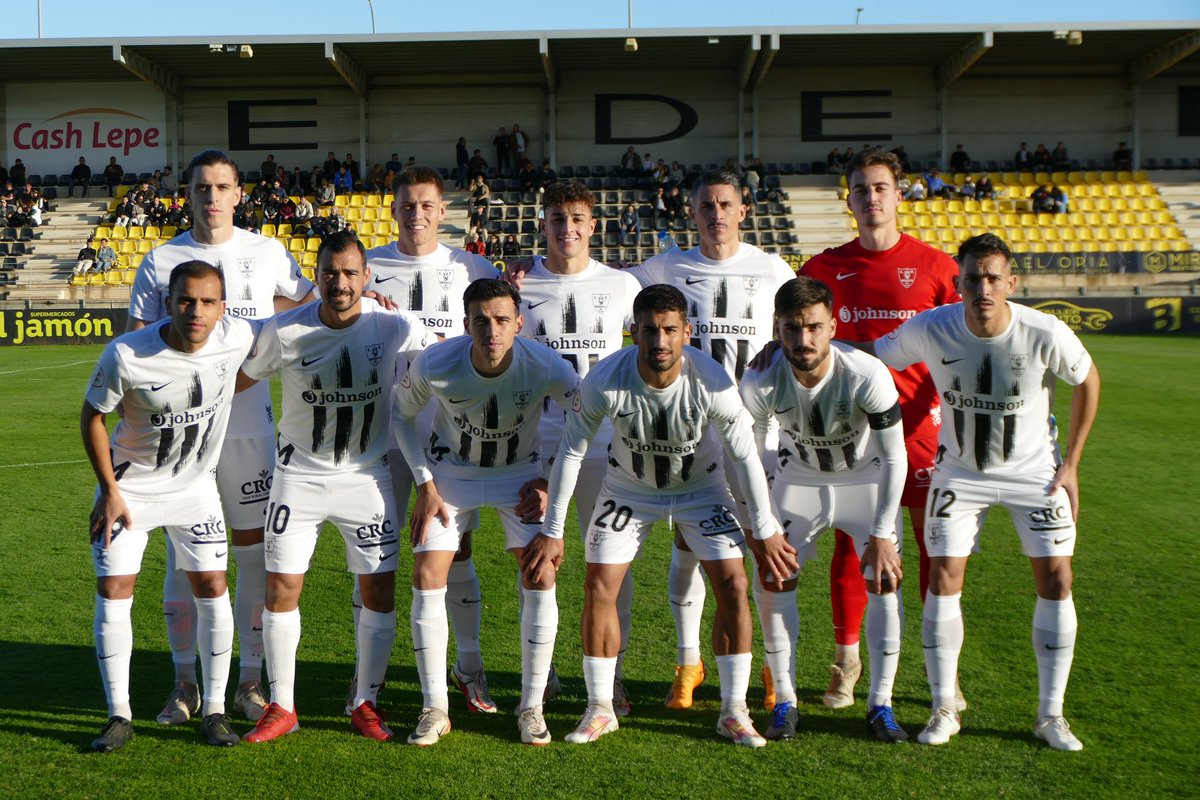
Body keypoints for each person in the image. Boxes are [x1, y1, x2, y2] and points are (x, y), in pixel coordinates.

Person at [869, 232, 1100, 751]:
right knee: (943, 577)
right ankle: (943, 707)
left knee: (1058, 579)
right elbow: (875, 355)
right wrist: (810, 346)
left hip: (1035, 474)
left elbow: (1088, 380)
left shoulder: (1044, 330)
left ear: (1011, 283)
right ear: (959, 282)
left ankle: (1050, 715)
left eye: (994, 277)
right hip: (960, 476)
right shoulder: (933, 326)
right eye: (973, 277)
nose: (983, 287)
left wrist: (1074, 464)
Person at [547, 284, 787, 748]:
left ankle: (733, 711)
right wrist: (553, 532)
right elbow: (571, 453)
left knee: (734, 584)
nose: (660, 341)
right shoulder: (605, 379)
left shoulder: (713, 381)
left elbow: (743, 457)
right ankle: (600, 708)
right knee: (599, 586)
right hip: (628, 490)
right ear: (633, 331)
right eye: (650, 330)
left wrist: (764, 526)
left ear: (687, 332)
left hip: (701, 490)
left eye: (670, 330)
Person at [126, 149, 315, 729]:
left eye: (223, 187)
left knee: (253, 551)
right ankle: (185, 683)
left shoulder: (265, 252)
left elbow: (307, 301)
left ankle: (250, 681)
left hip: (250, 424)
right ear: (188, 193)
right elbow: (135, 345)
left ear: (239, 194)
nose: (212, 197)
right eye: (202, 187)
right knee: (183, 557)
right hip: (180, 433)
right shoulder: (161, 260)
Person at [238, 231, 430, 744]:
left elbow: (440, 365)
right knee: (281, 589)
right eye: (329, 272)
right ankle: (282, 705)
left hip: (366, 478)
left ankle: (365, 699)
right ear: (316, 276)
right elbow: (240, 378)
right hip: (297, 477)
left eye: (350, 273)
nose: (339, 282)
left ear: (367, 278)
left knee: (379, 592)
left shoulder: (394, 325)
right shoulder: (285, 330)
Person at [625, 169, 796, 711]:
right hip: (690, 434)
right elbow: (599, 285)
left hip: (762, 433)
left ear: (744, 210)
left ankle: (772, 669)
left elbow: (802, 327)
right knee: (690, 548)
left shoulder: (772, 270)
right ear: (692, 213)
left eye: (725, 204)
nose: (716, 214)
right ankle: (688, 662)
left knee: (769, 549)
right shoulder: (662, 268)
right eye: (706, 205)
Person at [798, 147, 960, 711]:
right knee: (853, 545)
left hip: (922, 430)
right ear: (850, 198)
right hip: (851, 434)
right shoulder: (822, 269)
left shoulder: (939, 269)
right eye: (861, 189)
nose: (871, 198)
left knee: (932, 546)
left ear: (899, 193)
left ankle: (941, 671)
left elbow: (964, 345)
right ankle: (846, 664)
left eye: (881, 187)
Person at [393, 278, 579, 746]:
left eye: (501, 320)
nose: (491, 331)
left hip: (519, 476)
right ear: (465, 324)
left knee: (540, 572)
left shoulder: (544, 364)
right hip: (451, 476)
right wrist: (426, 484)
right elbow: (400, 416)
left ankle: (531, 708)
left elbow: (583, 415)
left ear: (519, 323)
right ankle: (435, 706)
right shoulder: (437, 362)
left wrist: (548, 475)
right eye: (481, 321)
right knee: (427, 572)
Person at [83, 261, 256, 752]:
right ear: (169, 302)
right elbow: (93, 416)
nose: (196, 311)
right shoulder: (127, 353)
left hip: (196, 493)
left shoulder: (236, 336)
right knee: (115, 592)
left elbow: (292, 323)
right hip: (130, 494)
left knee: (213, 589)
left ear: (223, 307)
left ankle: (217, 710)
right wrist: (109, 490)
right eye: (185, 300)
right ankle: (119, 715)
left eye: (207, 302)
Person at [740, 277, 909, 744]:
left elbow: (896, 456)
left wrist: (882, 534)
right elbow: (751, 458)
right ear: (777, 329)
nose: (804, 339)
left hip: (865, 479)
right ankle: (786, 702)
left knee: (884, 577)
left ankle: (881, 704)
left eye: (814, 326)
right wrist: (763, 525)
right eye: (792, 329)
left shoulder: (867, 373)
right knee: (775, 575)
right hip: (801, 481)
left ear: (832, 326)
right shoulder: (758, 378)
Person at [365, 166, 502, 713]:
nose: (416, 214)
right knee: (374, 557)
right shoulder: (367, 267)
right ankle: (368, 681)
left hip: (451, 438)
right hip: (381, 434)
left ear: (443, 211)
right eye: (407, 205)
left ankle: (468, 668)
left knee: (455, 552)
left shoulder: (473, 268)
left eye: (426, 205)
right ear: (393, 209)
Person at [518, 181, 642, 713]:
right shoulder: (519, 287)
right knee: (537, 564)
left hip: (606, 448)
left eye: (576, 218)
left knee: (610, 567)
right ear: (541, 224)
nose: (566, 228)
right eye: (556, 218)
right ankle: (540, 676)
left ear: (593, 225)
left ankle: (609, 675)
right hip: (534, 447)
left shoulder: (622, 286)